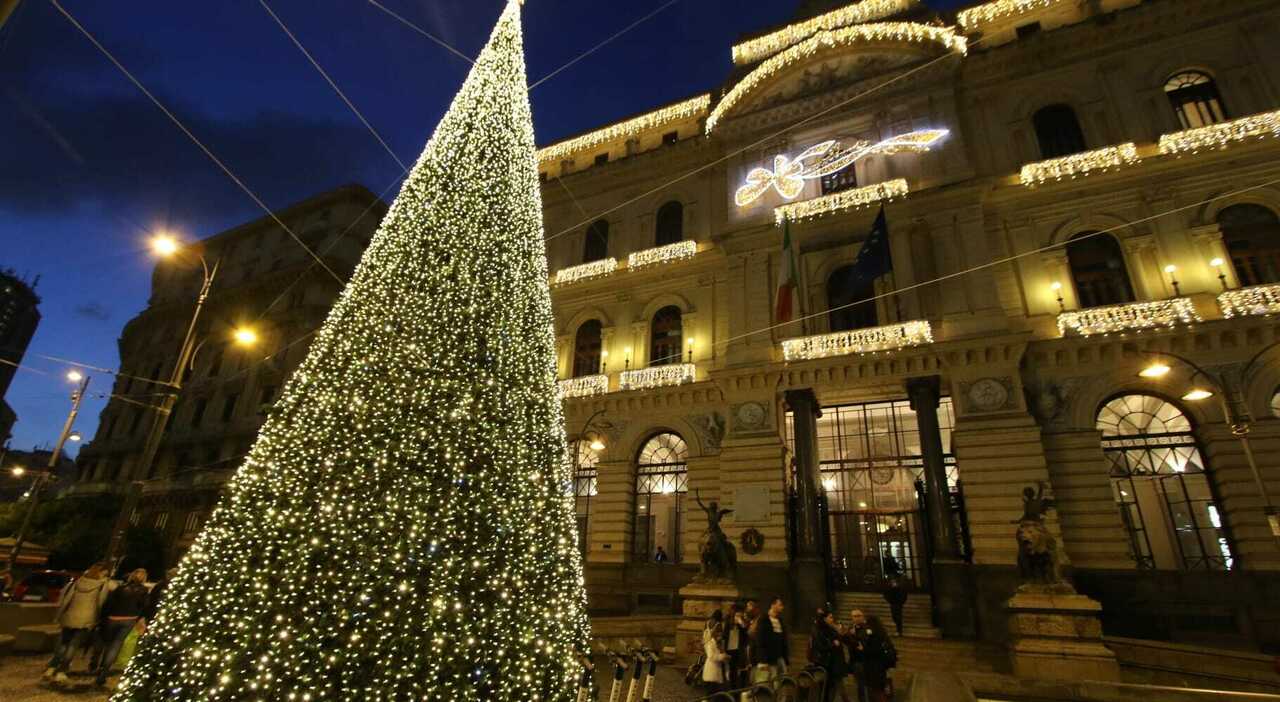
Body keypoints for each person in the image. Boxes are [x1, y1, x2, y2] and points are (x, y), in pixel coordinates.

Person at [43, 562, 111, 685]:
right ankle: (62, 670)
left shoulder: (78, 581)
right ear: (102, 572)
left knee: (63, 643)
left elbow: (66, 598)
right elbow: (101, 603)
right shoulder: (102, 585)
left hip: (69, 616)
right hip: (86, 619)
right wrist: (97, 619)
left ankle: (51, 668)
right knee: (73, 645)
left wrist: (59, 615)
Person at [95, 568, 149, 688]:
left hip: (113, 618)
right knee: (116, 645)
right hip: (129, 619)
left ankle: (99, 666)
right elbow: (144, 606)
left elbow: (109, 603)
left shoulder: (120, 588)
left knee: (108, 643)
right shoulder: (143, 590)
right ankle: (104, 672)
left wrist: (105, 616)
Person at [809, 611, 852, 702]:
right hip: (826, 663)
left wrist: (841, 632)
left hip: (835, 663)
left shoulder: (832, 628)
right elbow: (820, 645)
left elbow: (843, 640)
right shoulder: (819, 629)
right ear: (825, 619)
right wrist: (833, 644)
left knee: (833, 687)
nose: (832, 619)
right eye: (830, 617)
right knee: (829, 688)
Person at [860, 615, 898, 702]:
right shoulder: (882, 633)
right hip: (881, 668)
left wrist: (863, 649)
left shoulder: (873, 636)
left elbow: (873, 651)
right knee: (879, 691)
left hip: (874, 668)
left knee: (877, 692)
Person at [757, 596, 789, 679]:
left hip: (780, 657)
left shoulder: (780, 620)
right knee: (770, 683)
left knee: (782, 681)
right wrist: (763, 660)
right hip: (769, 659)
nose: (782, 607)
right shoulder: (764, 619)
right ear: (773, 605)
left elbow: (783, 640)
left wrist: (785, 658)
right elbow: (760, 640)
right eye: (780, 605)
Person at [842, 609, 871, 702]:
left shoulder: (867, 628)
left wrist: (853, 637)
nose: (857, 618)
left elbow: (863, 645)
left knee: (864, 684)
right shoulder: (851, 628)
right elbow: (848, 642)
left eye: (859, 616)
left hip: (864, 660)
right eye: (854, 616)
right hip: (854, 660)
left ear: (863, 617)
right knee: (859, 684)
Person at [701, 609, 730, 692]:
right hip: (713, 645)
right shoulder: (718, 624)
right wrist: (722, 651)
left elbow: (704, 633)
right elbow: (718, 637)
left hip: (706, 644)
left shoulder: (707, 622)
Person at [722, 602, 749, 688]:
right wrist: (724, 650)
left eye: (740, 614)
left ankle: (740, 686)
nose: (739, 616)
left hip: (739, 649)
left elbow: (745, 634)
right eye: (738, 614)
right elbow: (724, 636)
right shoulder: (728, 623)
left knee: (741, 669)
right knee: (731, 670)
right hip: (730, 649)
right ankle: (731, 687)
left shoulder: (742, 623)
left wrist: (741, 624)